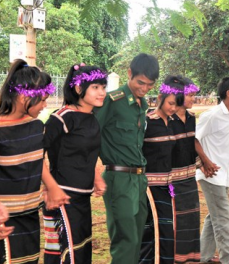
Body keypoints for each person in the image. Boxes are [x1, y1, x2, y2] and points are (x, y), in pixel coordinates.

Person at [0, 59, 69, 264]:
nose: (46, 105)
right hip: (3, 220)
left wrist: (52, 186)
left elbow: (37, 159)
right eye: (42, 100)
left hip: (30, 214)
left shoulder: (36, 126)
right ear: (23, 97)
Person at [95, 53, 159, 264]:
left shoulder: (141, 105)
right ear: (129, 73)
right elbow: (90, 137)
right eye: (140, 82)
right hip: (118, 178)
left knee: (136, 239)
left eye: (150, 85)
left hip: (139, 179)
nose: (144, 88)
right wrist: (95, 174)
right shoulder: (112, 102)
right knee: (125, 240)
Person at [43, 64, 108, 264]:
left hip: (83, 196)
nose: (102, 93)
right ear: (79, 89)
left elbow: (88, 152)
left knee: (81, 249)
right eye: (96, 87)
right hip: (62, 198)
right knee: (68, 253)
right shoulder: (61, 119)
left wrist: (96, 177)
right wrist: (50, 188)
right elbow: (35, 155)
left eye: (103, 87)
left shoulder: (92, 118)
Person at [195, 76, 229, 264]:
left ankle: (203, 256)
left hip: (223, 173)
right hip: (211, 175)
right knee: (223, 218)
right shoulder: (212, 115)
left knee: (214, 216)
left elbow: (222, 141)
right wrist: (206, 162)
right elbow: (194, 138)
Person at [139, 76, 186, 264]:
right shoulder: (147, 122)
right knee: (154, 231)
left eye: (176, 105)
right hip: (150, 187)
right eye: (171, 104)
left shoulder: (172, 122)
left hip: (167, 186)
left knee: (167, 229)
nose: (173, 108)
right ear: (160, 97)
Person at [169, 78, 201, 263]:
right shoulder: (165, 119)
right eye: (190, 95)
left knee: (191, 220)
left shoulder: (190, 118)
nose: (193, 99)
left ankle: (189, 259)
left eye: (194, 95)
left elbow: (191, 142)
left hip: (190, 177)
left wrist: (202, 161)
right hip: (172, 180)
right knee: (176, 222)